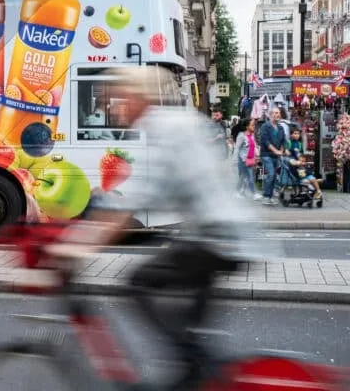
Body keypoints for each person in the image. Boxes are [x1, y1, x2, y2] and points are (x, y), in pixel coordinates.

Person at [47, 65, 274, 391]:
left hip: (216, 237)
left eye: (120, 99)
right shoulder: (178, 121)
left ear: (137, 97)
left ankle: (198, 366)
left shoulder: (163, 127)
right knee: (189, 344)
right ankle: (198, 372)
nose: (116, 107)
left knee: (138, 283)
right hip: (229, 235)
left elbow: (138, 202)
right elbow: (168, 189)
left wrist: (78, 245)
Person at [257, 107, 288, 207]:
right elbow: (265, 141)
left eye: (278, 113)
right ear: (270, 115)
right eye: (275, 113)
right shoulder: (265, 126)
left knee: (274, 176)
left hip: (276, 155)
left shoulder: (281, 128)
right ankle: (266, 196)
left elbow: (284, 141)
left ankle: (269, 197)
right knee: (271, 173)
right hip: (266, 154)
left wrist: (283, 150)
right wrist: (276, 151)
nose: (277, 115)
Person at [287, 127, 323, 200]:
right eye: (295, 134)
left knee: (306, 172)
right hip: (293, 165)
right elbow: (287, 154)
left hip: (300, 164)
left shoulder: (299, 144)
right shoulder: (289, 143)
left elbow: (302, 155)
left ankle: (317, 189)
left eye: (298, 134)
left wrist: (303, 161)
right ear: (291, 135)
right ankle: (315, 182)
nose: (297, 135)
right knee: (303, 174)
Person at [233, 118, 262, 200]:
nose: (254, 126)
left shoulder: (252, 135)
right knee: (249, 176)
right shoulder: (241, 135)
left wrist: (257, 156)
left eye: (254, 125)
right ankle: (254, 193)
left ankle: (238, 192)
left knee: (243, 177)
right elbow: (237, 148)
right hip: (243, 160)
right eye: (252, 125)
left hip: (250, 160)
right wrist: (235, 160)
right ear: (247, 126)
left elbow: (254, 147)